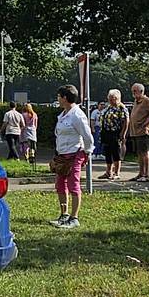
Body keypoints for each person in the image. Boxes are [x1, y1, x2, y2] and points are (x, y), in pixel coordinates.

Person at [51, 84, 93, 229]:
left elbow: (88, 137)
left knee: (73, 185)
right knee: (60, 184)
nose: (57, 99)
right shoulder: (63, 114)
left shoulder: (77, 115)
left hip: (76, 153)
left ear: (65, 98)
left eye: (59, 96)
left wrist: (87, 153)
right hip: (62, 155)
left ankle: (74, 218)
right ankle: (64, 215)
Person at [127, 83, 149, 182]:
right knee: (139, 153)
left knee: (144, 152)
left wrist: (148, 120)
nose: (133, 93)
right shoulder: (136, 101)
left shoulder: (146, 100)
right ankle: (141, 173)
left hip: (143, 131)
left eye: (135, 91)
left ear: (141, 91)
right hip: (135, 131)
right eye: (132, 91)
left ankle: (146, 175)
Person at [98, 89, 129, 180]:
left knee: (116, 152)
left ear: (117, 98)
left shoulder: (121, 107)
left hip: (116, 132)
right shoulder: (108, 107)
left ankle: (116, 172)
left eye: (113, 99)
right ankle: (108, 172)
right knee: (107, 152)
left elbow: (126, 121)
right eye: (109, 98)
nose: (111, 100)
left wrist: (123, 133)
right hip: (106, 132)